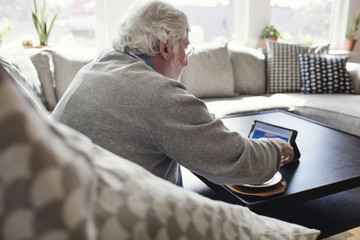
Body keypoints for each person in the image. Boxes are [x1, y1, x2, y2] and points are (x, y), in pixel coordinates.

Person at [51, 0, 294, 186]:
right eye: (185, 47)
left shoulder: (94, 68)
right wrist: (274, 148)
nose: (186, 62)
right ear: (165, 46)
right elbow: (236, 160)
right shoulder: (159, 94)